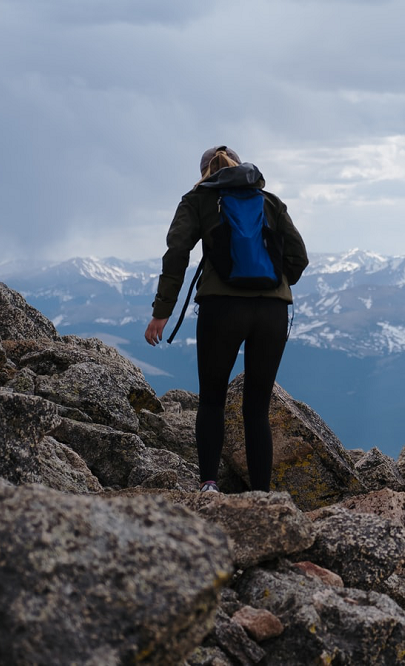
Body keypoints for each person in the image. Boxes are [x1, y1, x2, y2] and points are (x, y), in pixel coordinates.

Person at [144, 145, 309, 493]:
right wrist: (275, 284)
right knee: (257, 408)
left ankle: (209, 485)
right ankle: (261, 495)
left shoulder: (198, 199)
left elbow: (177, 252)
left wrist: (162, 312)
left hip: (222, 309)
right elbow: (299, 256)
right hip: (272, 312)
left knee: (213, 399)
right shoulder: (267, 200)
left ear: (204, 171)